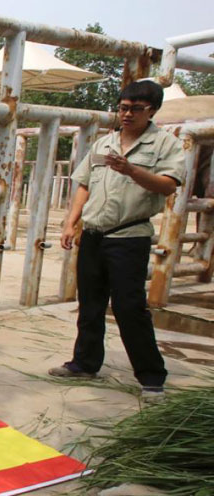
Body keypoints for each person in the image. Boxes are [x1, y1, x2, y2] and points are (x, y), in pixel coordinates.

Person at [50, 80, 185, 403]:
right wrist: (71, 222)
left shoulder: (165, 144)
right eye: (123, 107)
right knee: (90, 304)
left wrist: (131, 170)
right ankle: (84, 363)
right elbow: (83, 184)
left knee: (129, 308)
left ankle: (151, 377)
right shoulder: (104, 144)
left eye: (135, 109)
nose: (126, 114)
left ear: (152, 110)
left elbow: (168, 186)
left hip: (129, 236)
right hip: (94, 235)